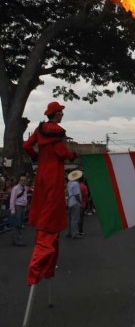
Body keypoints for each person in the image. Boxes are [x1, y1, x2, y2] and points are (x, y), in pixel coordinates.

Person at [23, 101, 77, 285]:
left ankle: (43, 226)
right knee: (52, 205)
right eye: (60, 112)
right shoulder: (56, 132)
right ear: (55, 114)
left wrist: (35, 156)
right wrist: (73, 155)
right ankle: (46, 233)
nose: (62, 114)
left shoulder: (39, 130)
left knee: (42, 201)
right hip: (54, 173)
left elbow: (26, 146)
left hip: (42, 174)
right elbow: (63, 152)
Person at [9, 174, 28, 246]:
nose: (23, 181)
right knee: (17, 224)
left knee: (19, 224)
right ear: (19, 181)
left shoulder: (25, 188)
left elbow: (25, 197)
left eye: (24, 180)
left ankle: (14, 240)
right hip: (17, 207)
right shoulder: (15, 188)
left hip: (22, 207)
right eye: (22, 180)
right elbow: (12, 199)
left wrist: (25, 206)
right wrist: (12, 209)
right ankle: (18, 241)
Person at [66, 170, 83, 239]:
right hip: (75, 202)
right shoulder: (76, 184)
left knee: (70, 219)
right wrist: (80, 202)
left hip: (70, 202)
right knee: (75, 219)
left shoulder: (69, 183)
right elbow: (76, 195)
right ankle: (75, 233)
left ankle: (69, 232)